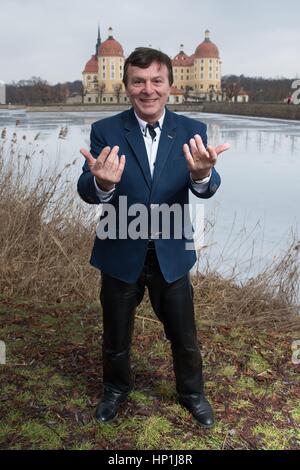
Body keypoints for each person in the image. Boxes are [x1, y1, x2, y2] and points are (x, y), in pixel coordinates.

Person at [78, 47, 230, 428]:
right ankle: (115, 390)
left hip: (171, 252)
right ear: (127, 87)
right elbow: (86, 186)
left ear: (169, 86)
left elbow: (206, 187)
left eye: (156, 81)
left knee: (184, 335)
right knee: (115, 334)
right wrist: (100, 181)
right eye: (139, 82)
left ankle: (192, 393)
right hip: (119, 250)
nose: (148, 90)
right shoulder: (106, 130)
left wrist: (200, 176)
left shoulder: (192, 131)